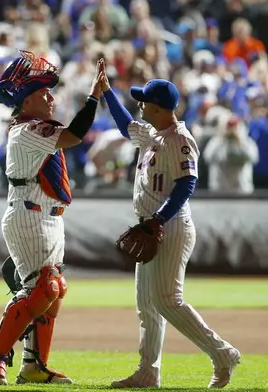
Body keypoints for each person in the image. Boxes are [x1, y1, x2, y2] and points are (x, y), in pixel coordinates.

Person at [100, 74, 241, 389]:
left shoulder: (179, 137)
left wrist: (158, 220)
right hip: (151, 224)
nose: (139, 104)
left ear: (159, 108)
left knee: (167, 300)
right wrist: (107, 92)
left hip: (170, 226)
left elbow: (186, 183)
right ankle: (148, 373)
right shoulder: (152, 133)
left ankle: (223, 354)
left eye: (144, 101)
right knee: (147, 306)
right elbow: (126, 126)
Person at [0, 50, 104, 386]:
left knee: (54, 291)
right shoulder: (27, 129)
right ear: (26, 101)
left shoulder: (33, 126)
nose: (50, 97)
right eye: (42, 92)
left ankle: (34, 366)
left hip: (48, 216)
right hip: (28, 215)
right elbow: (75, 135)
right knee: (44, 288)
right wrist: (93, 97)